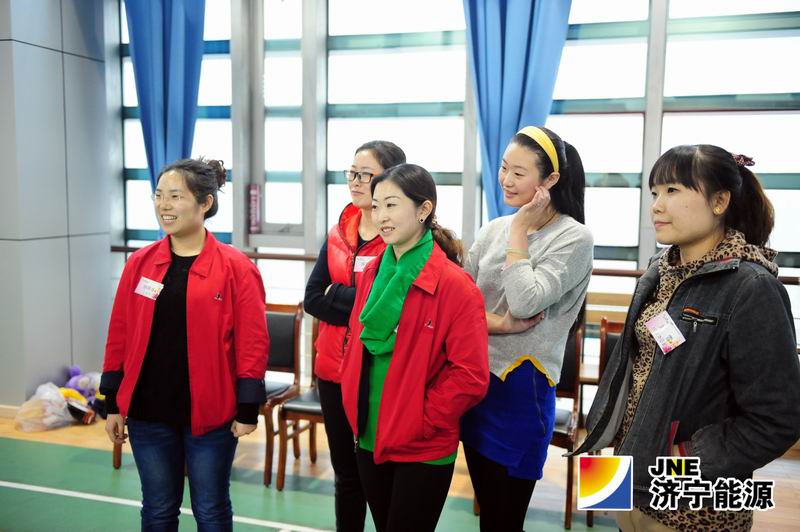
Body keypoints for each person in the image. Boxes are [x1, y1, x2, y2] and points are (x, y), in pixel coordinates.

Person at [573, 145, 800, 531]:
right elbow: (635, 378)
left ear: (720, 201)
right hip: (627, 476)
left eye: (673, 191)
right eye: (654, 193)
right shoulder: (658, 269)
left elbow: (778, 419)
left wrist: (681, 461)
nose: (657, 206)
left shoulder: (752, 287)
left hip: (690, 507)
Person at [100, 158, 269, 532]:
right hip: (148, 411)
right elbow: (120, 333)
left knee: (211, 509)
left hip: (211, 414)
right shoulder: (140, 264)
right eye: (159, 195)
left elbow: (252, 343)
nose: (164, 205)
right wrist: (112, 400)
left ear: (205, 202)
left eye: (175, 196)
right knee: (157, 509)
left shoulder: (237, 268)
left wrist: (247, 408)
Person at [339, 163, 489, 532]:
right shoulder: (372, 273)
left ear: (424, 209)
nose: (381, 216)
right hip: (369, 434)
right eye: (377, 206)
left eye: (392, 205)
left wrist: (420, 419)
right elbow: (355, 343)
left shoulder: (456, 286)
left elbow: (470, 376)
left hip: (422, 444)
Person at [460, 126, 593, 531]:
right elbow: (458, 305)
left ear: (550, 180)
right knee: (487, 510)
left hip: (522, 390)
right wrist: (499, 325)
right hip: (474, 381)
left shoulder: (574, 237)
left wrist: (519, 229)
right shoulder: (492, 229)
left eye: (519, 173)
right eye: (504, 168)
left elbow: (524, 301)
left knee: (504, 519)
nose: (506, 179)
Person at [304, 140, 406, 531]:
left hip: (377, 374)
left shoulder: (398, 236)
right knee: (346, 476)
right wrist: (360, 300)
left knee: (378, 474)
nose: (356, 181)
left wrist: (340, 295)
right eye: (353, 173)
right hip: (332, 371)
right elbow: (313, 298)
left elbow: (391, 307)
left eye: (366, 174)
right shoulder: (338, 233)